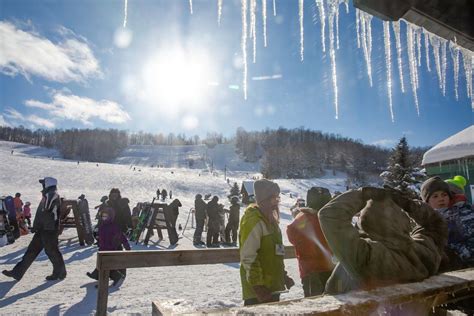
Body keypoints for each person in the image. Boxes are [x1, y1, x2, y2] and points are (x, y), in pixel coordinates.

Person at [318, 187, 447, 296]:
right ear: (404, 222)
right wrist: (407, 204)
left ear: (365, 223)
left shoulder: (366, 256)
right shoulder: (423, 253)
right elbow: (435, 223)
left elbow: (329, 215)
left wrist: (362, 194)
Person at [239, 179, 294, 306]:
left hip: (272, 288)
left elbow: (276, 253)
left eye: (278, 198)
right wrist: (258, 286)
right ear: (264, 200)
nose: (277, 202)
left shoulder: (271, 223)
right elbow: (248, 256)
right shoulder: (254, 221)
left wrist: (283, 275)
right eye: (274, 199)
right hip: (259, 293)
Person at [3, 177, 66, 281]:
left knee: (52, 251)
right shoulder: (49, 194)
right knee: (32, 251)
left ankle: (60, 273)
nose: (42, 185)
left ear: (48, 184)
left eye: (43, 183)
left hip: (49, 230)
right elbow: (43, 213)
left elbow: (46, 209)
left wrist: (38, 225)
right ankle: (17, 272)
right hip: (43, 229)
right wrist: (36, 226)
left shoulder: (52, 194)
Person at [287, 187, 334, 297]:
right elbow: (292, 234)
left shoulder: (324, 217)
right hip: (314, 272)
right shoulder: (305, 218)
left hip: (326, 269)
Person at [421, 176, 474, 270]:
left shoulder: (462, 210)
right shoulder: (427, 221)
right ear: (427, 202)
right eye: (435, 196)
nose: (441, 199)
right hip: (453, 264)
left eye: (444, 195)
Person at [86, 207, 130, 286]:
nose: (104, 218)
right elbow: (101, 236)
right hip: (103, 248)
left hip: (110, 248)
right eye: (103, 216)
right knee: (100, 262)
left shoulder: (113, 226)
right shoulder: (102, 225)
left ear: (110, 217)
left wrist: (127, 246)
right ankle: (96, 274)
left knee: (106, 265)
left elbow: (121, 236)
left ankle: (116, 276)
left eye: (106, 216)